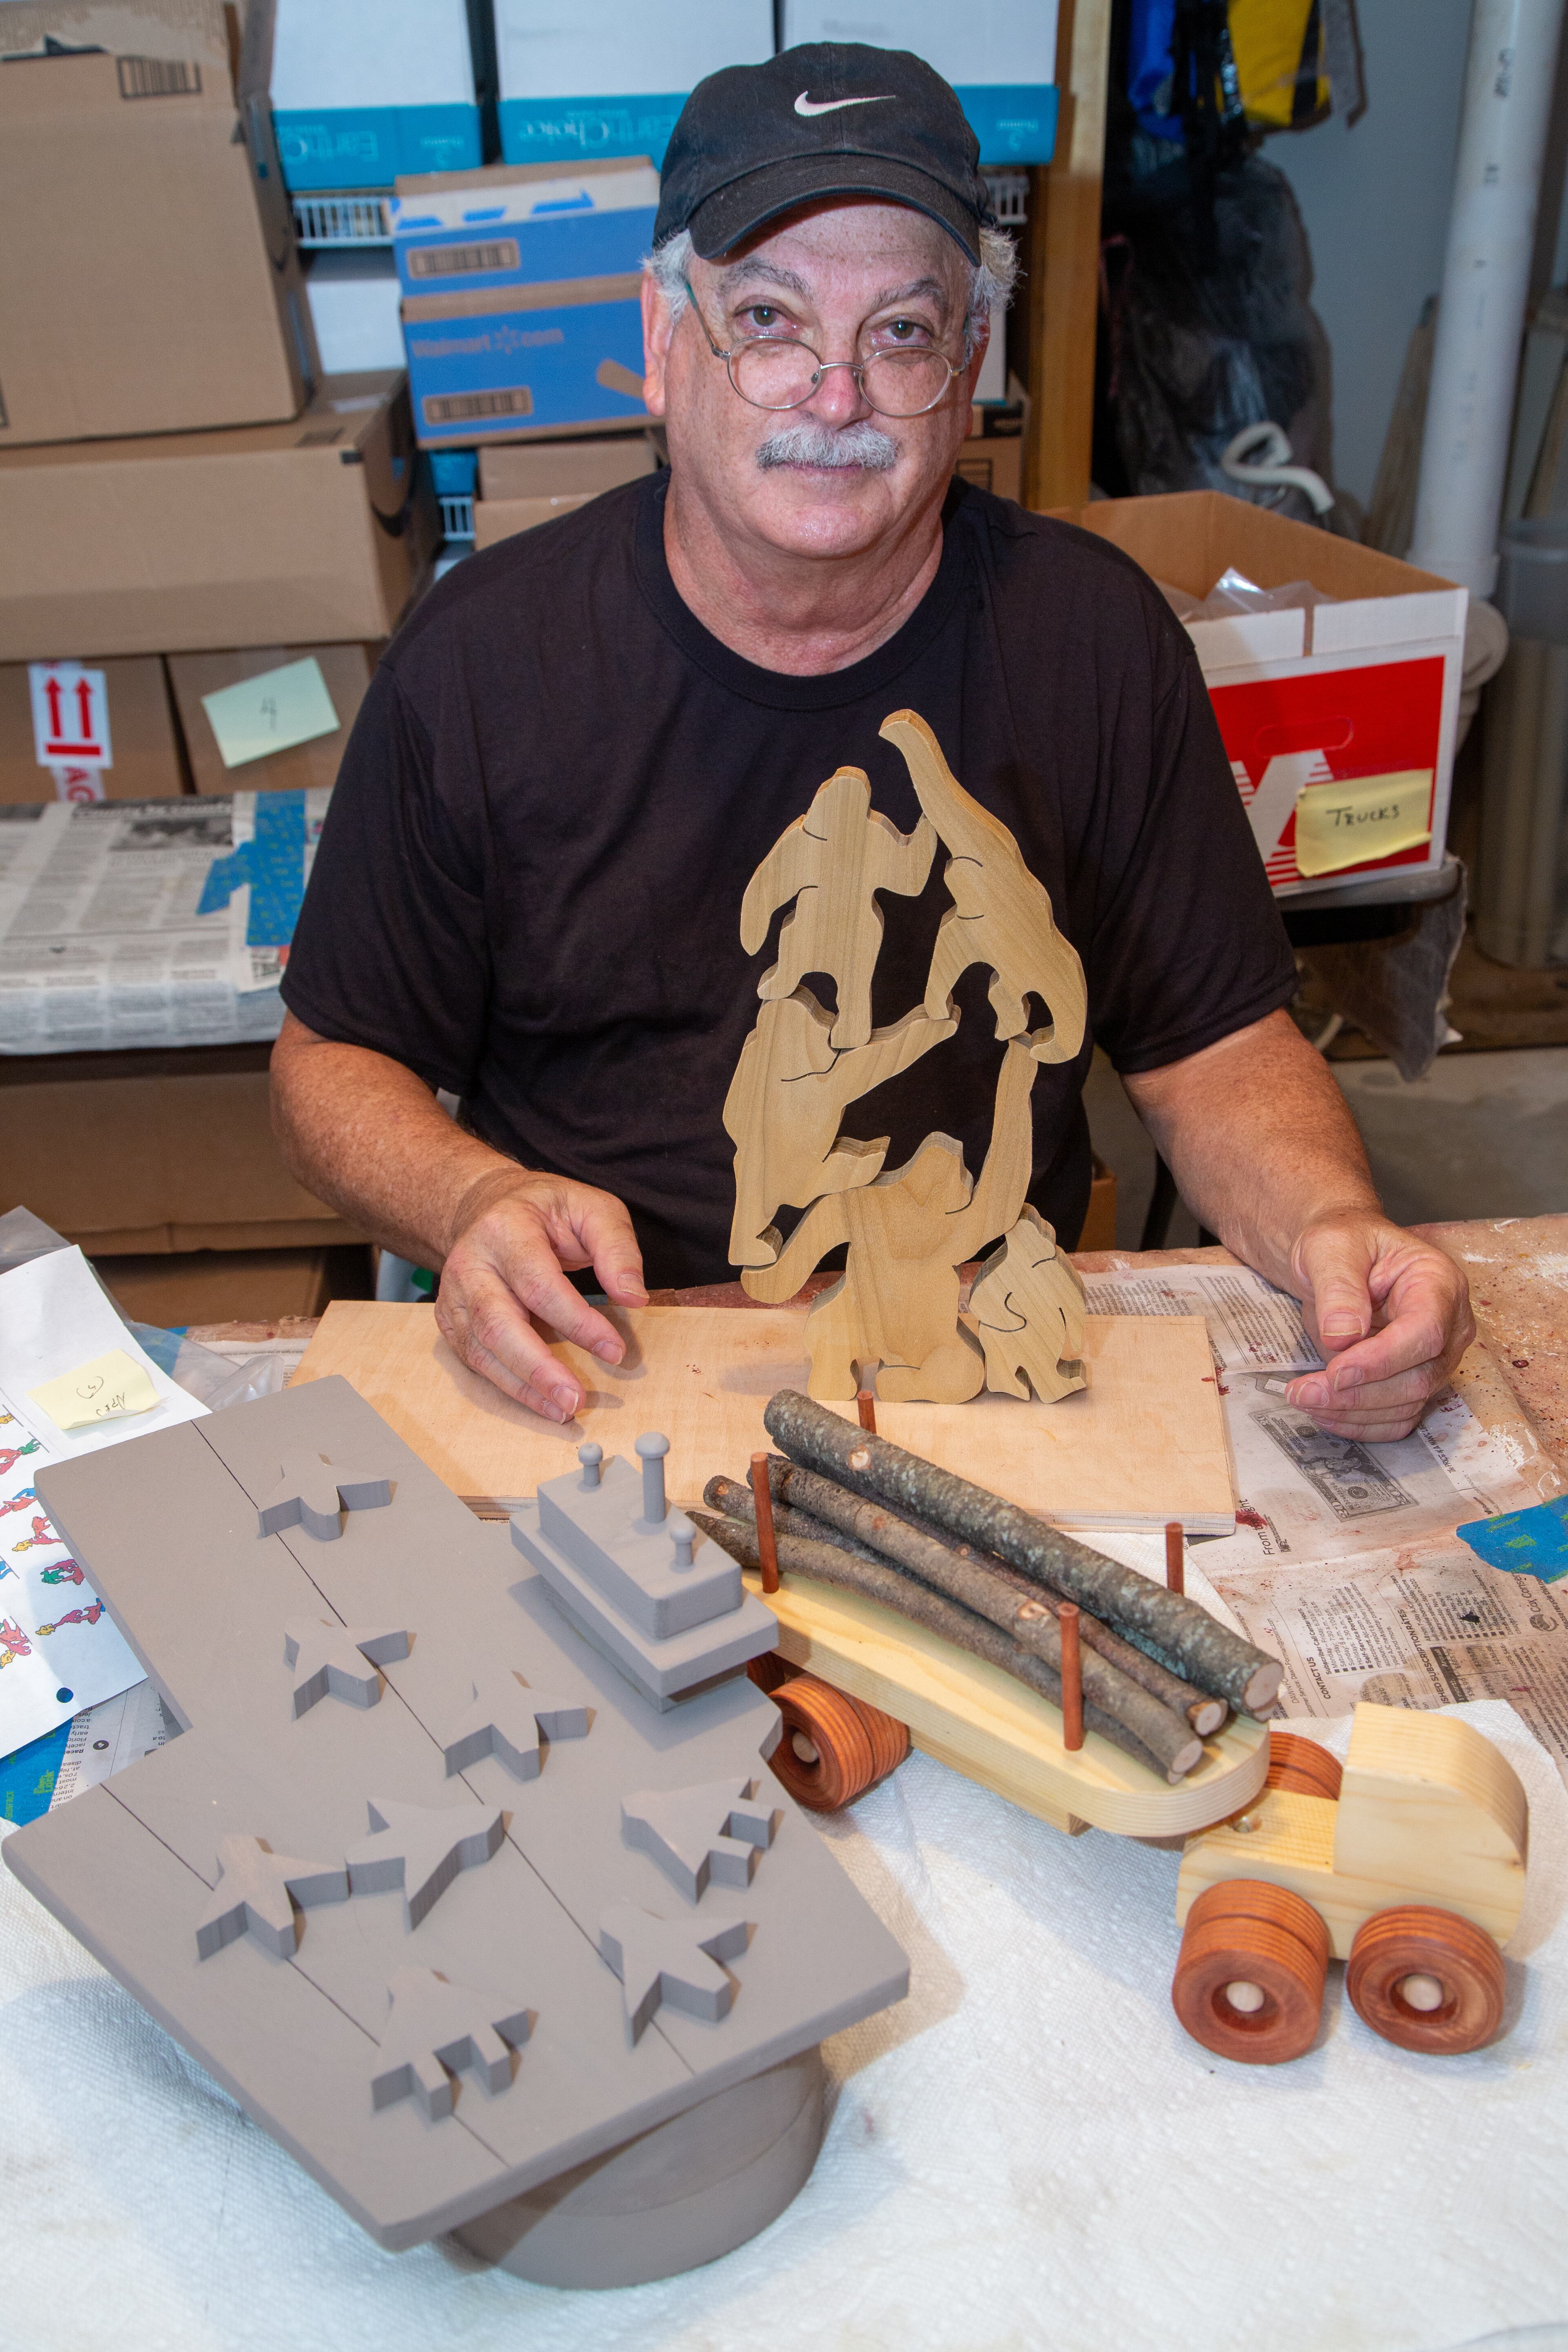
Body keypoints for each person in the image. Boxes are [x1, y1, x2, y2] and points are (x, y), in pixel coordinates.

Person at [271, 41, 1472, 1443]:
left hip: (979, 1337)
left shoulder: (1092, 640)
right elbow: (331, 1062)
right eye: (770, 321)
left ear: (968, 370)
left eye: (900, 331)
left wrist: (1334, 1221)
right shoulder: (483, 664)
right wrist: (469, 1198)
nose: (834, 398)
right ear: (667, 351)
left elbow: (1211, 1045)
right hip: (613, 1349)